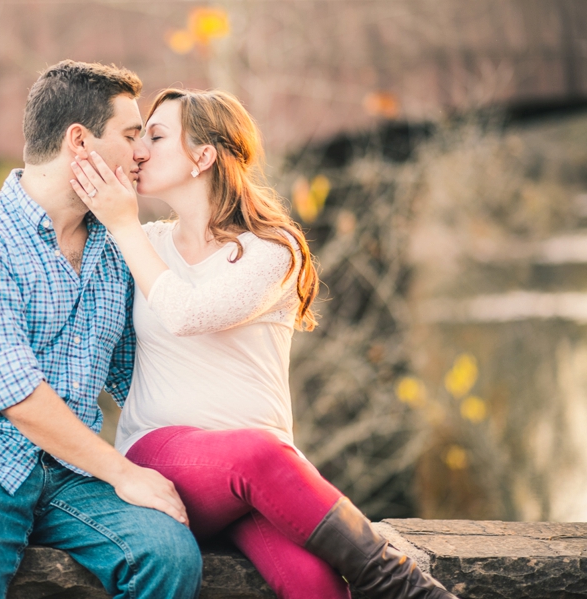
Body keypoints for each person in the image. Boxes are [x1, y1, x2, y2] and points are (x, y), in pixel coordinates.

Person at [70, 88, 460, 599]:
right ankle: (403, 585)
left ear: (203, 157)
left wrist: (125, 228)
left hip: (256, 482)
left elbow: (194, 312)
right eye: (138, 136)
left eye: (156, 136)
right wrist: (119, 220)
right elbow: (167, 313)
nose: (139, 150)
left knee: (318, 587)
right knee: (259, 456)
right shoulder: (144, 242)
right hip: (164, 459)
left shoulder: (274, 250)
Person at [0, 62, 203, 599]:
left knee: (168, 556)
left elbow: (141, 374)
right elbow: (15, 393)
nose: (141, 153)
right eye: (131, 136)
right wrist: (123, 472)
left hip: (70, 473)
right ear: (79, 140)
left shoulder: (115, 247)